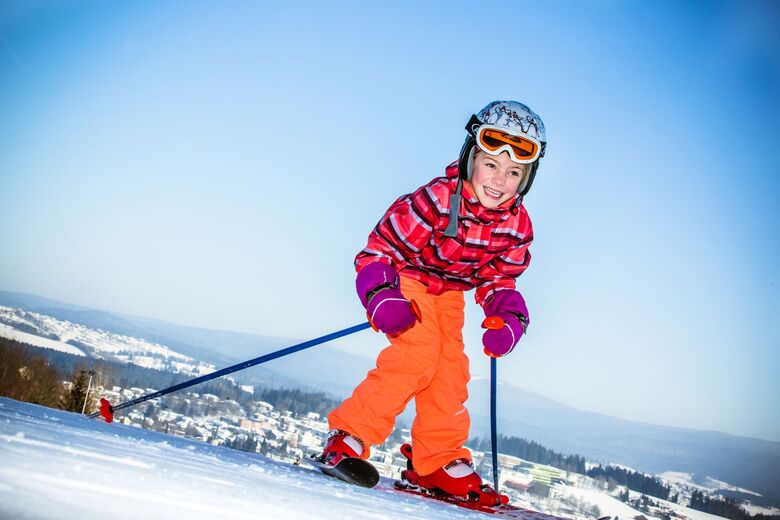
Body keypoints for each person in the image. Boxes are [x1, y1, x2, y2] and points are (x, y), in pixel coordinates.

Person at [320, 100, 546, 502]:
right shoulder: (438, 199)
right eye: (491, 164)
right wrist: (382, 295)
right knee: (418, 355)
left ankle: (435, 461)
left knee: (450, 370)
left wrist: (507, 315)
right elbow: (379, 251)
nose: (500, 179)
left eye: (514, 172)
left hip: (451, 293)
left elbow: (500, 279)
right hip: (409, 277)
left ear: (526, 178)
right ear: (469, 159)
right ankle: (349, 436)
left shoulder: (517, 226)